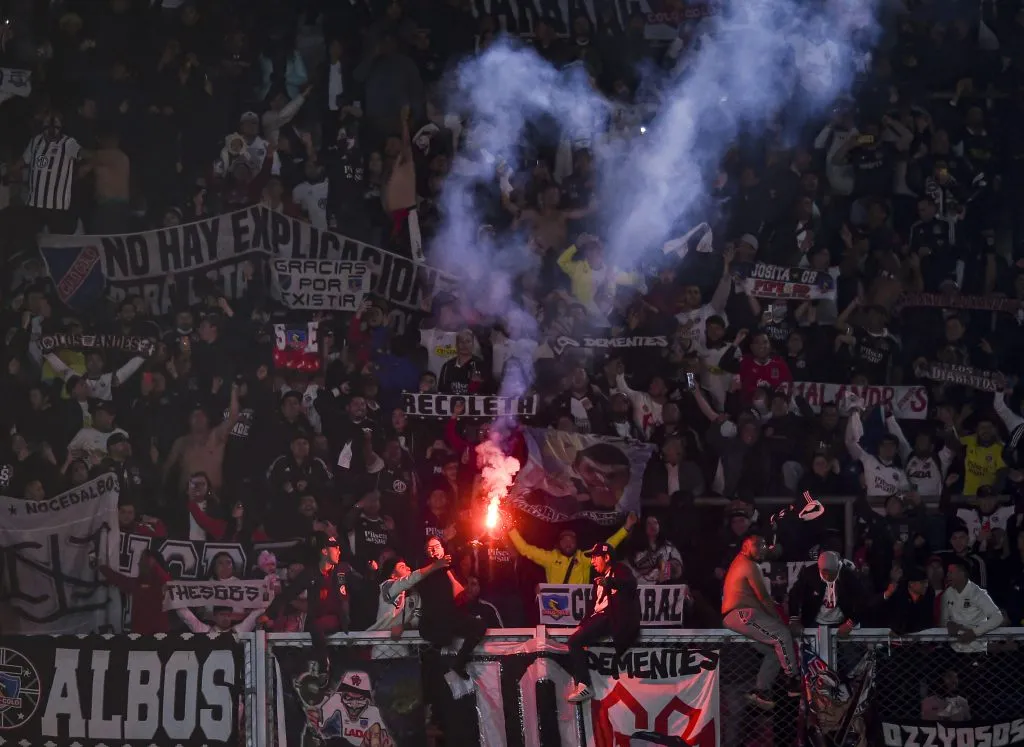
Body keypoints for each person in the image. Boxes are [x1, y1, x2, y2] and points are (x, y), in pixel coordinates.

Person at [721, 533, 800, 710]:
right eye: (757, 545)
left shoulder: (743, 563)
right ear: (745, 547)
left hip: (741, 614)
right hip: (739, 614)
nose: (761, 548)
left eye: (763, 545)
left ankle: (760, 690)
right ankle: (793, 678)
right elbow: (764, 598)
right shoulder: (748, 565)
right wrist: (780, 621)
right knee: (782, 634)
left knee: (773, 650)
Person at [566, 542, 640, 703]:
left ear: (606, 557)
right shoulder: (598, 580)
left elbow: (631, 585)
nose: (592, 562)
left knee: (574, 641)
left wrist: (610, 583)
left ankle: (584, 685)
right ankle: (583, 684)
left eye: (595, 557)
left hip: (611, 618)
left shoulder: (620, 570)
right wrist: (583, 624)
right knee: (575, 640)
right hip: (601, 617)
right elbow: (594, 606)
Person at [417, 537, 486, 687]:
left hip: (450, 618)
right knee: (436, 669)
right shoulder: (424, 569)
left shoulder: (451, 571)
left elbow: (459, 596)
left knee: (479, 626)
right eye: (430, 548)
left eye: (437, 546)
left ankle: (459, 662)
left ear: (443, 550)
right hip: (434, 622)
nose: (434, 550)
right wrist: (437, 565)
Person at [508, 512, 636, 584]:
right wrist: (510, 529)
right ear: (559, 543)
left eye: (571, 540)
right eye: (565, 540)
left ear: (576, 543)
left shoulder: (585, 558)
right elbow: (524, 549)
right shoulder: (550, 558)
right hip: (556, 612)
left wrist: (626, 528)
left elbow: (607, 546)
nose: (568, 544)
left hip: (579, 612)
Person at [788, 551, 863, 635]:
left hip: (842, 622)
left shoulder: (848, 575)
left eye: (831, 574)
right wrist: (794, 619)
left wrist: (850, 623)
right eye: (824, 573)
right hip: (814, 621)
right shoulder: (809, 574)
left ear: (838, 568)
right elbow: (794, 594)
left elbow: (861, 599)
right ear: (819, 568)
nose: (828, 577)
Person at [941, 557, 1002, 653]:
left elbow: (997, 617)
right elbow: (943, 620)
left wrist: (974, 632)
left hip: (977, 650)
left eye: (951, 572)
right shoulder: (948, 593)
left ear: (962, 574)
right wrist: (948, 623)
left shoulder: (978, 593)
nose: (947, 576)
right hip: (954, 650)